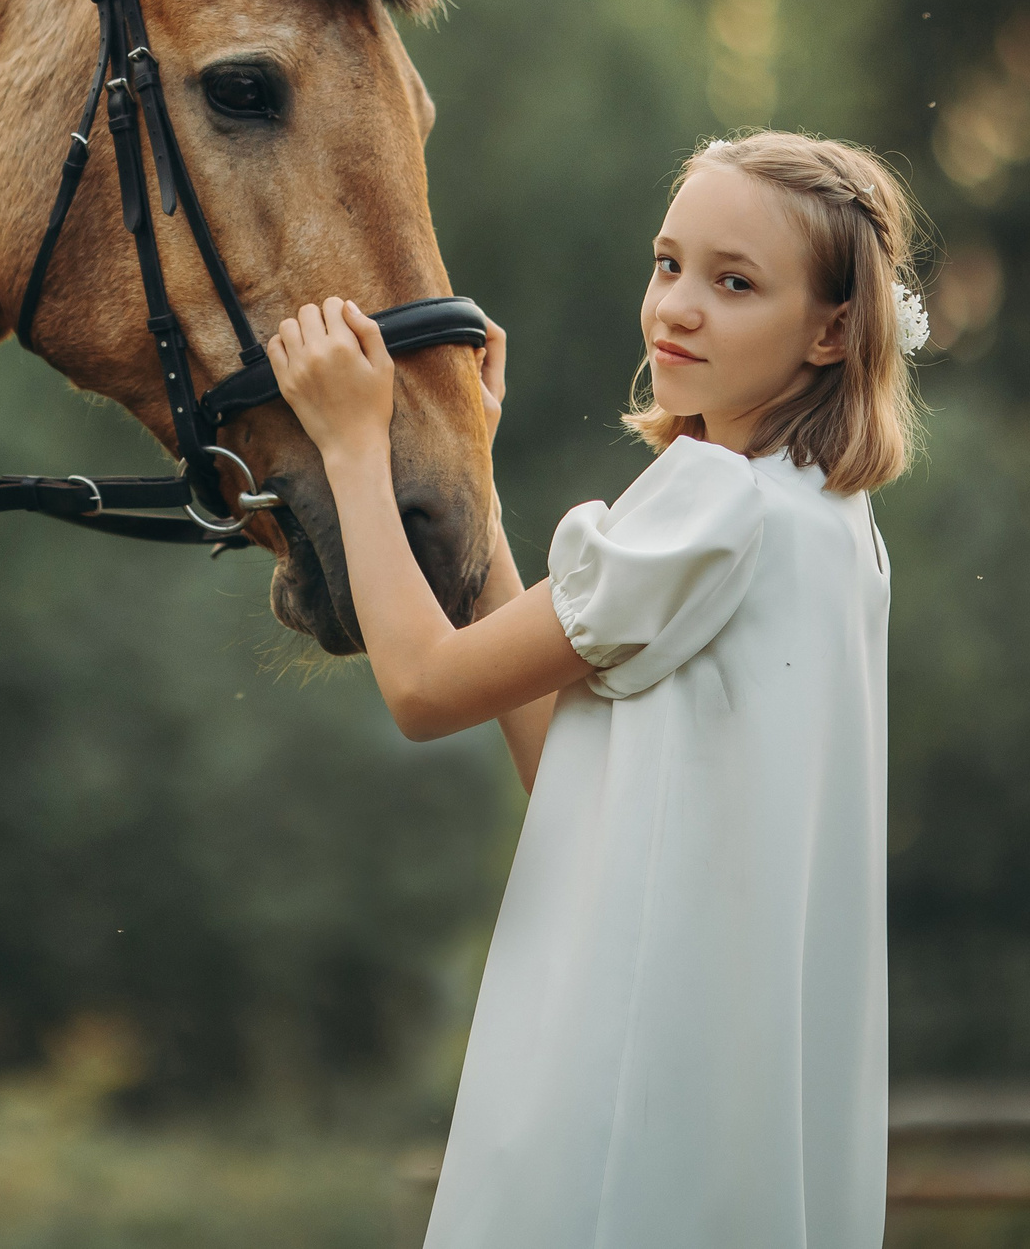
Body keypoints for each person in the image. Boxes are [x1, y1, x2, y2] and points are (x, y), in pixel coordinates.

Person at [267, 130, 928, 1248]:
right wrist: (467, 460)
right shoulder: (831, 527)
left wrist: (348, 445)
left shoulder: (709, 499)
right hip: (718, 1128)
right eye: (667, 263)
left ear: (831, 330)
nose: (675, 307)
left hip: (614, 1100)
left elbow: (425, 688)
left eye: (733, 283)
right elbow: (567, 772)